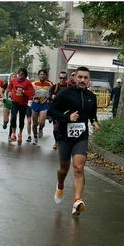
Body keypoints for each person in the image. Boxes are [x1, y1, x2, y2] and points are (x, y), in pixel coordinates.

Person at [47, 66, 99, 216]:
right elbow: (51, 111)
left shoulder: (91, 97)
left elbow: (92, 114)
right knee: (64, 169)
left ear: (89, 80)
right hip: (64, 136)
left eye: (86, 78)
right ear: (74, 77)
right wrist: (67, 118)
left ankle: (77, 201)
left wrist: (94, 122)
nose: (83, 80)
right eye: (80, 77)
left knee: (78, 167)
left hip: (81, 137)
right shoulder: (64, 94)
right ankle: (60, 185)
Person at [7, 68, 35, 145]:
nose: (20, 74)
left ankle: (20, 134)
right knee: (13, 117)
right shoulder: (14, 80)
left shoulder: (27, 82)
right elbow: (9, 87)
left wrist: (24, 92)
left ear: (25, 75)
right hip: (15, 102)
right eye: (19, 73)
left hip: (23, 104)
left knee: (21, 119)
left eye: (22, 73)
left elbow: (31, 92)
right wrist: (9, 92)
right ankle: (13, 134)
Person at [31, 69, 53, 145]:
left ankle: (40, 129)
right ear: (38, 75)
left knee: (41, 122)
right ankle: (34, 137)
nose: (42, 75)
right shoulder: (34, 83)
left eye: (44, 74)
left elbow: (51, 93)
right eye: (41, 74)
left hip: (44, 104)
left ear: (46, 76)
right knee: (34, 123)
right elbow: (30, 93)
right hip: (35, 104)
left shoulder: (49, 84)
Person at [49, 71, 69, 150]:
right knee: (56, 127)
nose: (62, 80)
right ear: (59, 78)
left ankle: (64, 141)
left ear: (66, 79)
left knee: (65, 126)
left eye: (64, 78)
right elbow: (49, 97)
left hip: (66, 110)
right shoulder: (54, 87)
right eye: (61, 78)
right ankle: (56, 141)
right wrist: (52, 97)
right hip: (56, 110)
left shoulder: (69, 87)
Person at [1, 73, 17, 140]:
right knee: (6, 120)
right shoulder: (6, 84)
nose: (13, 78)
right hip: (7, 103)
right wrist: (3, 97)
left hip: (14, 103)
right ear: (10, 78)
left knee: (13, 120)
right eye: (12, 77)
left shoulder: (17, 85)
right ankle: (5, 122)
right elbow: (1, 91)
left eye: (15, 77)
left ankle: (10, 135)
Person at [26, 78, 36, 143]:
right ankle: (29, 136)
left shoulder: (36, 90)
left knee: (35, 122)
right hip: (28, 106)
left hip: (35, 106)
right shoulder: (27, 89)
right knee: (29, 121)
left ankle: (35, 134)